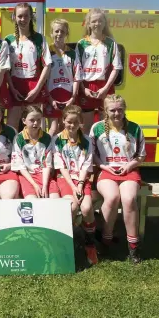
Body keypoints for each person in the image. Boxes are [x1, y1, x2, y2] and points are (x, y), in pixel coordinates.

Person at [89, 94, 146, 263]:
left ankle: (133, 248)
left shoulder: (135, 128)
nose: (116, 113)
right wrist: (104, 166)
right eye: (112, 110)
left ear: (125, 109)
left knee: (128, 199)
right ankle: (106, 240)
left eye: (120, 109)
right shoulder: (97, 128)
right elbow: (92, 156)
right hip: (106, 171)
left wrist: (129, 166)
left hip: (129, 170)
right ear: (105, 111)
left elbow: (141, 156)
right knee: (112, 197)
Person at [52, 105, 98, 265]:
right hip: (65, 179)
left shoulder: (86, 140)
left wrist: (80, 184)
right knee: (71, 207)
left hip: (81, 179)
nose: (72, 125)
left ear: (81, 123)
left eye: (75, 122)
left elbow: (86, 165)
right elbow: (60, 167)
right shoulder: (57, 140)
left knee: (86, 208)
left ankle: (90, 244)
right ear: (63, 121)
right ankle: (67, 243)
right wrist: (73, 186)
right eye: (68, 122)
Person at [75, 8, 123, 134]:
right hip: (87, 87)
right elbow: (77, 70)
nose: (97, 24)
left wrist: (106, 88)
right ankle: (89, 152)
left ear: (104, 23)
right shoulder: (81, 44)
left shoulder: (110, 43)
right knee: (87, 126)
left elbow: (116, 67)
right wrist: (83, 89)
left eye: (100, 21)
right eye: (94, 21)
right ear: (89, 24)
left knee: (107, 124)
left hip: (105, 86)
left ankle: (105, 152)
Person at [5, 3, 52, 130]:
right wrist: (13, 88)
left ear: (31, 17)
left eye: (26, 16)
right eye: (20, 16)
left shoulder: (39, 38)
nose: (23, 19)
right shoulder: (8, 40)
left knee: (36, 126)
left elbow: (47, 65)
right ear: (14, 17)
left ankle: (39, 150)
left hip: (34, 86)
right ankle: (14, 150)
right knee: (11, 126)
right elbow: (5, 69)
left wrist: (36, 89)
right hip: (15, 87)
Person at [11, 105, 60, 199]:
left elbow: (47, 164)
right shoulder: (18, 138)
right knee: (32, 201)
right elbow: (20, 166)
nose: (36, 123)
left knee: (55, 200)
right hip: (27, 177)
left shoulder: (46, 138)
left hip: (44, 176)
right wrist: (34, 184)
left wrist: (45, 186)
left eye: (38, 120)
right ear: (24, 121)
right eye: (32, 120)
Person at [45, 19, 80, 136]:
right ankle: (47, 152)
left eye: (62, 31)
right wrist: (49, 99)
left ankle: (60, 152)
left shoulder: (73, 53)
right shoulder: (47, 52)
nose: (59, 34)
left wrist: (73, 98)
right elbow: (43, 78)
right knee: (53, 128)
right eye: (57, 31)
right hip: (52, 95)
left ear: (66, 34)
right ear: (51, 33)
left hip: (68, 95)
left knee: (65, 128)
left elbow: (76, 77)